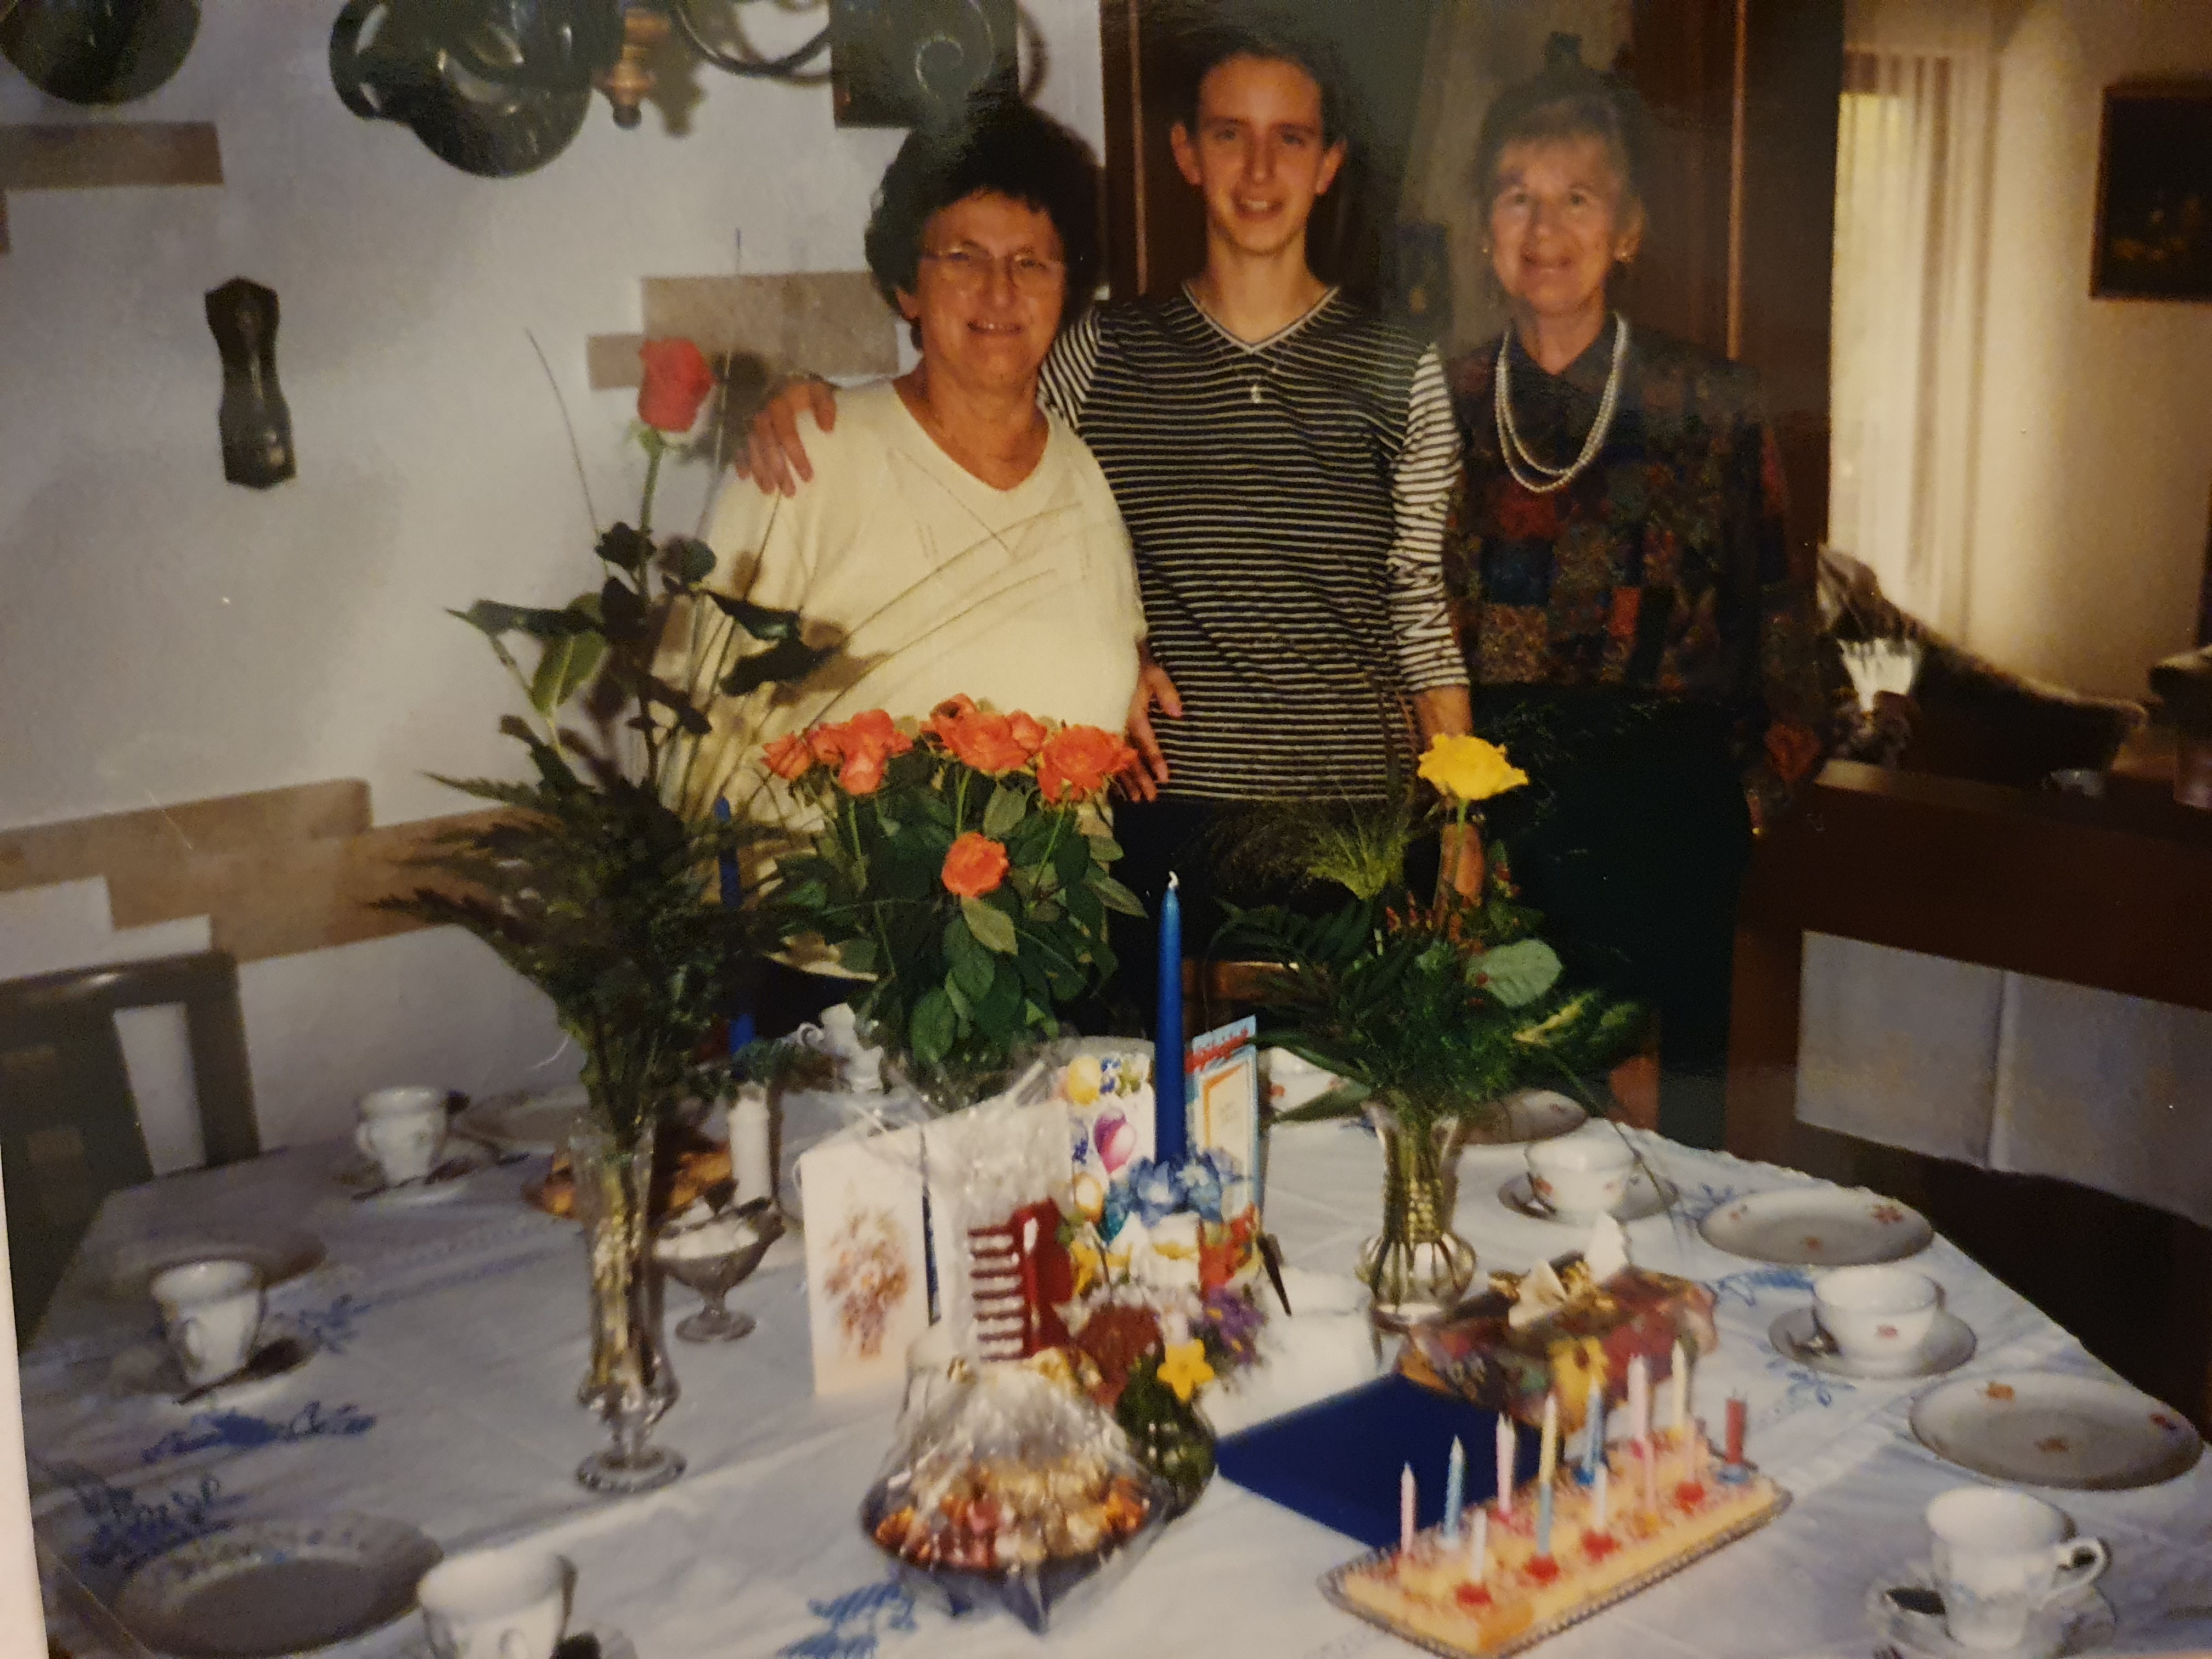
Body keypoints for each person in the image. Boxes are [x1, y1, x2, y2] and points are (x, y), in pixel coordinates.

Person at [740, 15, 1474, 955]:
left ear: (1329, 163)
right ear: (1187, 154)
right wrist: (815, 397)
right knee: (1174, 1058)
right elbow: (973, 439)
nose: (1259, 170)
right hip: (1165, 819)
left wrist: (1461, 829)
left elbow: (1419, 607)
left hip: (1360, 827)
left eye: (1290, 138)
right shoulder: (1101, 352)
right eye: (1229, 134)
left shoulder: (1398, 368)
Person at [1441, 40, 1832, 1149]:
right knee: (1499, 1153)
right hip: (1494, 843)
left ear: (1628, 228)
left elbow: (1787, 642)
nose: (1545, 226)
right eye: (1517, 195)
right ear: (1484, 228)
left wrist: (1737, 810)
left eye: (1578, 197)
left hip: (1665, 841)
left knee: (1657, 1172)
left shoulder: (1714, 405)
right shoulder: (1439, 401)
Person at [682, 94, 1144, 817]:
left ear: (1066, 287)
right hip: (830, 891)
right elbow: (697, 747)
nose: (1000, 291)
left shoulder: (1085, 478)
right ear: (907, 287)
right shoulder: (807, 460)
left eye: (1031, 263)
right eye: (964, 258)